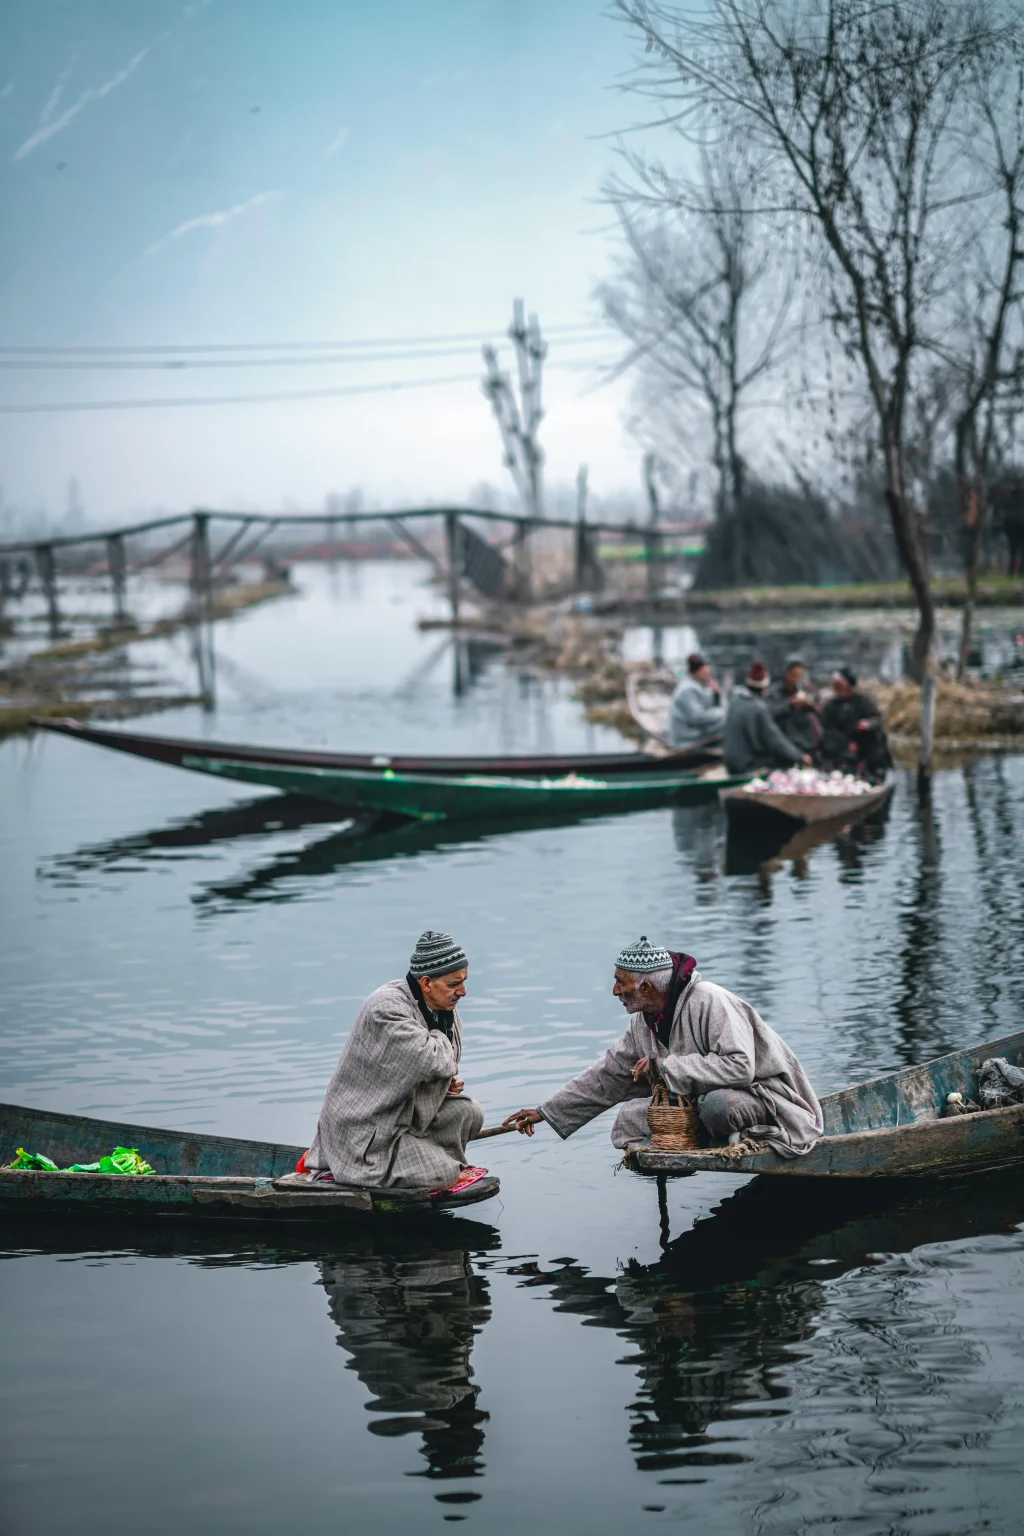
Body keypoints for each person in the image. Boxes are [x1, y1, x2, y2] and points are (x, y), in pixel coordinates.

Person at [503, 937, 823, 1157]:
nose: (615, 991)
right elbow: (607, 1076)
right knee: (628, 1119)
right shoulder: (645, 1021)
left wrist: (665, 1067)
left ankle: (750, 1138)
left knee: (716, 1107)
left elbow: (741, 1067)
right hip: (699, 1104)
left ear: (645, 986)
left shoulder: (709, 1000)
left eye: (620, 982)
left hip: (762, 1099)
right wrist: (545, 1111)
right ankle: (694, 1142)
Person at [301, 930, 486, 1192]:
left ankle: (423, 1161)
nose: (463, 992)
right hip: (368, 1135)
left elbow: (443, 1063)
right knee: (444, 1174)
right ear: (426, 983)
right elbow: (433, 1060)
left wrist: (444, 1085)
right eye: (454, 984)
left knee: (469, 1112)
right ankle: (366, 1169)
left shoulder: (443, 1009)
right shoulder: (387, 1007)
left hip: (404, 1119)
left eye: (464, 981)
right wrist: (441, 1068)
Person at [723, 661, 811, 775]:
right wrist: (800, 756)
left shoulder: (735, 702)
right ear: (764, 688)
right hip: (747, 764)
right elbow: (774, 738)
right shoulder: (758, 708)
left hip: (730, 762)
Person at [819, 666, 892, 781]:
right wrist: (845, 744)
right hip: (840, 745)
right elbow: (827, 729)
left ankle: (874, 772)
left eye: (839, 684)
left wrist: (868, 724)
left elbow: (877, 719)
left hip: (864, 743)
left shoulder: (864, 701)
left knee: (874, 737)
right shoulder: (831, 706)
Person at [767, 655, 822, 759]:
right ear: (786, 674)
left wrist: (809, 706)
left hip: (805, 743)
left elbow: (819, 713)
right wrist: (790, 703)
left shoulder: (808, 691)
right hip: (784, 744)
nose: (797, 679)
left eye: (799, 675)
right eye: (794, 675)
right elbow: (770, 712)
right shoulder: (774, 693)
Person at [668, 652, 725, 748]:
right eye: (706, 672)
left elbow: (710, 708)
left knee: (729, 720)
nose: (709, 675)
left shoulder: (702, 685)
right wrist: (722, 712)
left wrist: (716, 695)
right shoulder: (687, 689)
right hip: (686, 738)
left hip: (696, 731)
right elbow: (698, 717)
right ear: (697, 672)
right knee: (728, 722)